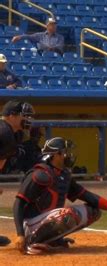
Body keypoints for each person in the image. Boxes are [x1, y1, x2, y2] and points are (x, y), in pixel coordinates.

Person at [13, 137, 107, 255]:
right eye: (64, 152)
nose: (68, 155)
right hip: (29, 224)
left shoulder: (63, 174)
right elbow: (18, 203)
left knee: (93, 211)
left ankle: (52, 240)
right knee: (68, 214)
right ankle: (31, 242)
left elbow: (86, 195)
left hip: (45, 220)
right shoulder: (39, 174)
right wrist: (20, 234)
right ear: (55, 155)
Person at [0, 100, 35, 247]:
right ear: (12, 116)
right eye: (24, 116)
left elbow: (1, 160)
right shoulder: (3, 132)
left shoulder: (14, 134)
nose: (27, 120)